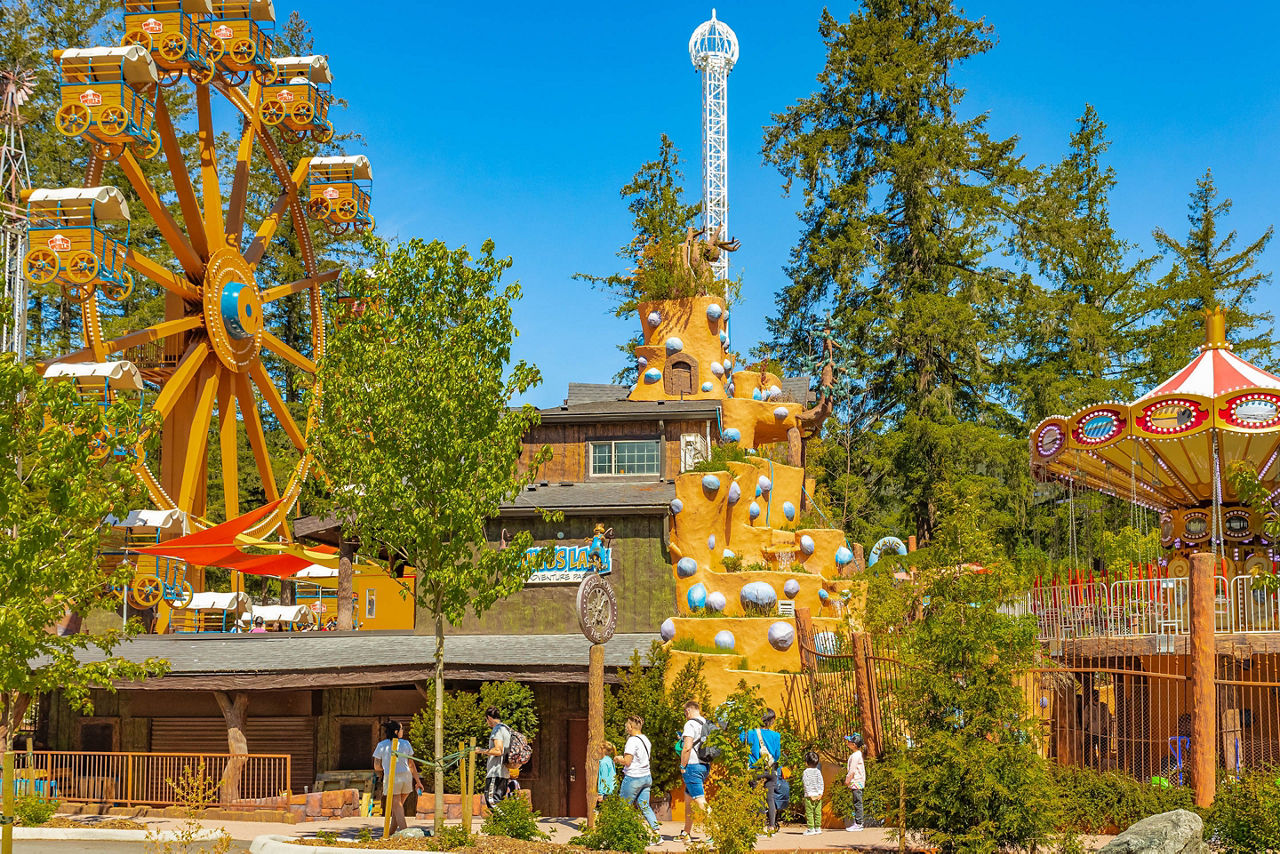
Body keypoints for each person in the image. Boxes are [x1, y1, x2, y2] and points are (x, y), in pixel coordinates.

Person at [373, 720, 422, 836]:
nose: (403, 731)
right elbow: (411, 765)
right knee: (397, 809)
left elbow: (376, 766)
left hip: (392, 778)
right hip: (406, 777)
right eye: (401, 729)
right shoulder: (406, 744)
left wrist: (385, 767)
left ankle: (407, 835)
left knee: (397, 807)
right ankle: (389, 834)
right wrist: (418, 781)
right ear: (396, 731)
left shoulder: (381, 745)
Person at [619, 715, 661, 838]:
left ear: (631, 727)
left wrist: (618, 759)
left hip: (633, 777)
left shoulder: (632, 741)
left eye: (627, 725)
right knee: (644, 805)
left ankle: (625, 836)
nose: (626, 727)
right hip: (646, 777)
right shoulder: (645, 739)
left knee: (623, 807)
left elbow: (627, 761)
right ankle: (656, 834)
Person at [742, 708, 783, 832]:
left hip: (756, 770)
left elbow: (740, 737)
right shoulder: (776, 736)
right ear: (771, 721)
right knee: (770, 798)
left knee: (758, 798)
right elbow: (777, 755)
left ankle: (760, 826)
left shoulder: (750, 733)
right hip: (770, 770)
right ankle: (771, 826)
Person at [678, 701, 711, 844]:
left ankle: (716, 831)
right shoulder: (706, 723)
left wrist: (682, 765)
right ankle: (686, 832)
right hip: (705, 766)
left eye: (685, 712)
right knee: (689, 800)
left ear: (688, 711)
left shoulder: (690, 724)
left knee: (699, 800)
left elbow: (686, 747)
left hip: (692, 766)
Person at [477, 706, 511, 807]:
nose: (487, 722)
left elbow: (498, 750)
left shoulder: (497, 730)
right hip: (504, 772)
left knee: (491, 801)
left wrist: (481, 751)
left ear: (489, 718)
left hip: (495, 772)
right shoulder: (507, 729)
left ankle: (507, 821)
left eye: (486, 720)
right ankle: (500, 823)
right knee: (498, 801)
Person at [843, 733, 865, 832]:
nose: (847, 742)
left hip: (856, 781)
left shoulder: (856, 756)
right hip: (856, 781)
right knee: (857, 802)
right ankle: (858, 822)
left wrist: (847, 780)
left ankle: (859, 823)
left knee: (857, 802)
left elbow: (852, 770)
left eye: (849, 741)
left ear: (854, 745)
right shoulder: (857, 754)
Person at [802, 750, 824, 835]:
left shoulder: (806, 772)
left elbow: (806, 784)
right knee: (818, 812)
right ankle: (818, 828)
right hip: (818, 796)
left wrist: (810, 794)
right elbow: (821, 782)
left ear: (807, 762)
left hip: (809, 796)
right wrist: (820, 793)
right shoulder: (818, 771)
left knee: (810, 812)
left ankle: (811, 828)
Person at [596, 741, 618, 807]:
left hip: (605, 793)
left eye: (599, 748)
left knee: (598, 814)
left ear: (603, 750)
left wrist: (601, 793)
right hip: (612, 791)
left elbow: (603, 778)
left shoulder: (604, 763)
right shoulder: (610, 760)